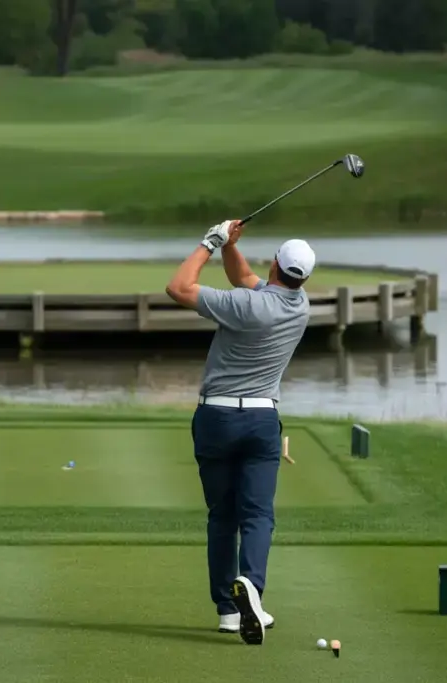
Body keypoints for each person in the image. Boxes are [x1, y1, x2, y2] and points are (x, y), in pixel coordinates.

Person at [164, 219, 315, 646]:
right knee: (258, 515)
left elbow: (179, 287)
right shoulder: (299, 305)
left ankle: (228, 610)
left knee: (222, 518)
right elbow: (246, 279)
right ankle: (251, 584)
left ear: (275, 265)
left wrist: (209, 242)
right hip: (262, 422)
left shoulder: (245, 306)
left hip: (217, 419)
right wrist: (231, 246)